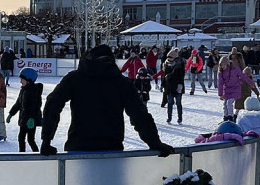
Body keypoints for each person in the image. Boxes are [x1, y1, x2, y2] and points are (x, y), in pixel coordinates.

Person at [40, 44, 174, 155]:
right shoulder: (122, 83)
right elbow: (139, 114)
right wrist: (154, 142)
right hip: (111, 147)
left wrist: (46, 139)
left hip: (79, 146)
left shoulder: (75, 78)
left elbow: (53, 103)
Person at [6, 67, 43, 153]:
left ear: (28, 80)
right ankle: (21, 155)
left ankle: (37, 155)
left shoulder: (34, 91)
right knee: (21, 138)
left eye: (22, 79)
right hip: (23, 118)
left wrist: (32, 118)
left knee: (30, 140)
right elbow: (18, 104)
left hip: (31, 120)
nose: (20, 81)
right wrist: (11, 114)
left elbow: (36, 106)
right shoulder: (23, 90)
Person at [216, 55, 253, 121]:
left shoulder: (235, 69)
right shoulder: (220, 72)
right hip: (227, 90)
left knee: (229, 102)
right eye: (221, 65)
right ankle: (225, 117)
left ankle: (230, 117)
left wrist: (251, 82)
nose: (222, 67)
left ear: (227, 64)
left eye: (223, 65)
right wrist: (220, 94)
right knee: (225, 104)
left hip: (235, 88)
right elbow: (220, 83)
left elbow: (243, 76)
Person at [157, 48, 186, 125]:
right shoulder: (166, 64)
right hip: (169, 87)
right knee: (170, 103)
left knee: (178, 103)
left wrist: (180, 85)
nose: (169, 59)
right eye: (168, 57)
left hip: (177, 86)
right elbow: (164, 76)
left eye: (171, 57)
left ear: (175, 57)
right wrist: (162, 85)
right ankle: (169, 117)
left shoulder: (180, 64)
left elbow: (182, 76)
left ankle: (180, 118)